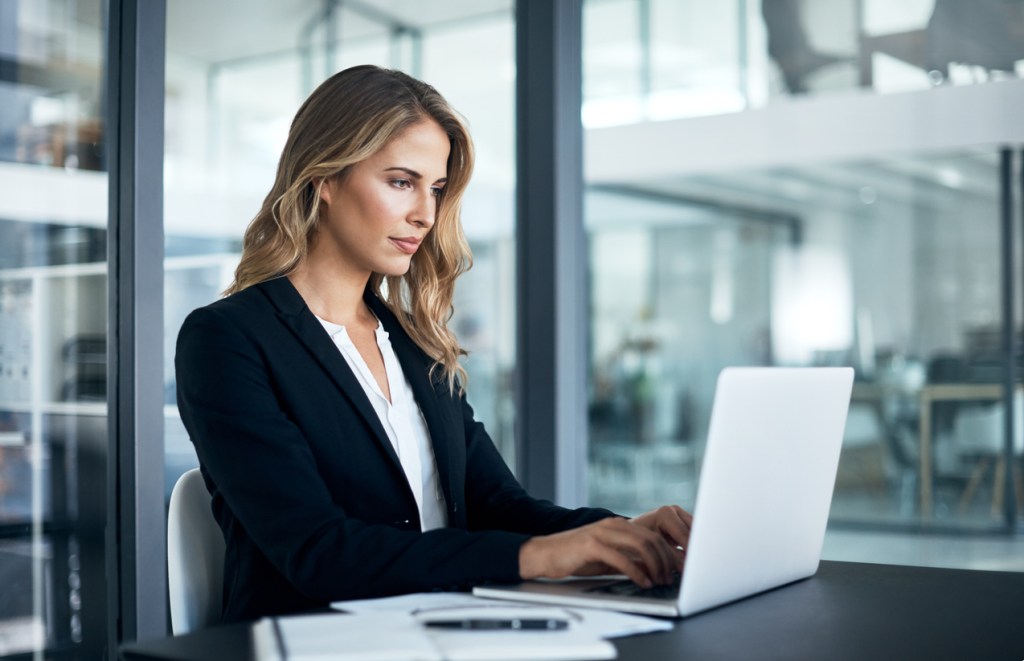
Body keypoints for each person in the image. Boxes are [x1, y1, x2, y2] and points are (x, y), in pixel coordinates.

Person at [175, 64, 692, 624]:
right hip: (317, 641)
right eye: (401, 181)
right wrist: (536, 557)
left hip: (444, 629)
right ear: (323, 178)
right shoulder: (228, 338)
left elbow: (498, 505)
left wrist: (616, 532)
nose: (425, 213)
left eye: (437, 188)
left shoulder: (415, 342)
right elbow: (318, 551)